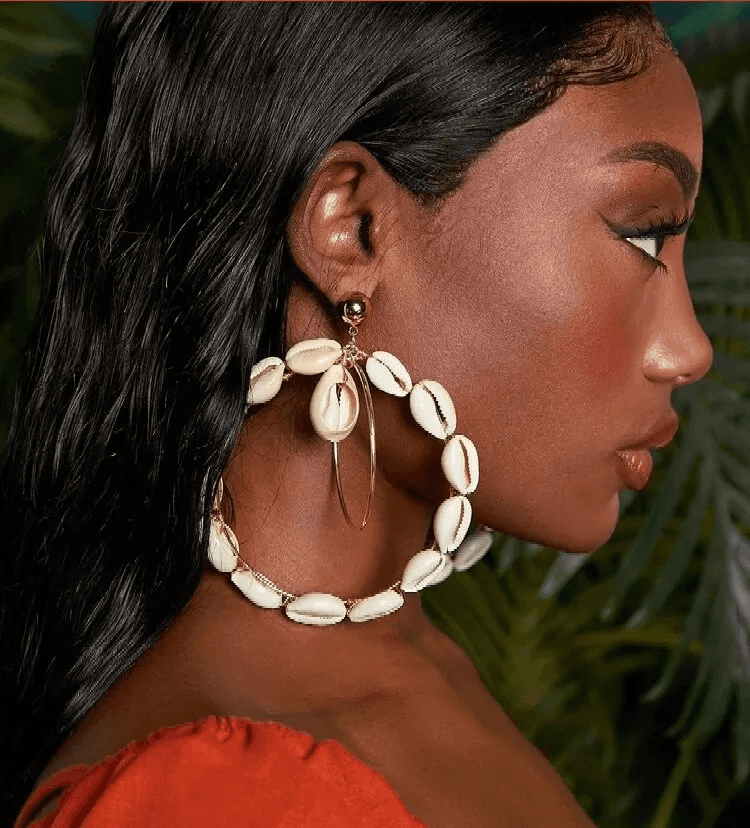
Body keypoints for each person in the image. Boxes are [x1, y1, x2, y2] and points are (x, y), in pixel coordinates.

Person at [2, 3, 713, 826]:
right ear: (352, 228)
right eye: (643, 235)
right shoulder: (228, 797)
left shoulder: (402, 663)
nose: (687, 349)